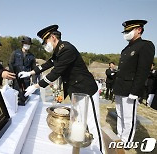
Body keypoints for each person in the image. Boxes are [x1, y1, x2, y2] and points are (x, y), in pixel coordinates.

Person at [18, 25, 105, 153]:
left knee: (92, 124)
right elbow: (48, 64)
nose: (45, 45)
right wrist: (30, 73)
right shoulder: (58, 51)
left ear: (53, 37)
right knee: (79, 123)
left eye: (45, 41)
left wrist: (36, 86)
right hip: (76, 91)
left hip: (86, 91)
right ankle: (83, 150)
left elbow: (56, 72)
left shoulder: (67, 49)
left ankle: (99, 150)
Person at [113, 20, 155, 143]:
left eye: (129, 31)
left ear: (139, 30)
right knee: (120, 114)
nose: (126, 33)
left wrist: (135, 91)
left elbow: (143, 71)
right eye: (125, 31)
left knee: (128, 117)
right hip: (120, 87)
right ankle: (120, 136)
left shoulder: (145, 45)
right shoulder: (127, 48)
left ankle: (126, 141)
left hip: (130, 88)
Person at [9, 36, 36, 105]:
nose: (27, 45)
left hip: (26, 77)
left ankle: (25, 103)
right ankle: (15, 104)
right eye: (26, 43)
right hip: (16, 77)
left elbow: (34, 69)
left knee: (26, 92)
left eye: (29, 44)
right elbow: (11, 64)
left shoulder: (32, 56)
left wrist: (34, 80)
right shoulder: (15, 53)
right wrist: (11, 76)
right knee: (16, 92)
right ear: (23, 44)